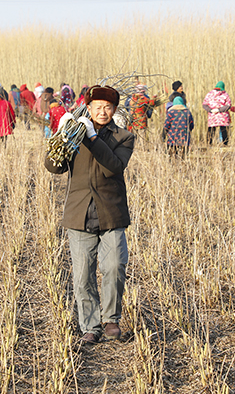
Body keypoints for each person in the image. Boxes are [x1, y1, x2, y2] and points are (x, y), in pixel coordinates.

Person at [44, 85, 134, 344]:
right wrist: (61, 135)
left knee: (115, 265)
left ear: (114, 110)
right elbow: (53, 167)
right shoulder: (75, 133)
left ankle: (110, 320)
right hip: (80, 212)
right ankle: (90, 327)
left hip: (111, 212)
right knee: (83, 275)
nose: (103, 112)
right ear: (89, 109)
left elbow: (114, 167)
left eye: (108, 107)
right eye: (98, 108)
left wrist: (93, 138)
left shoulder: (123, 137)